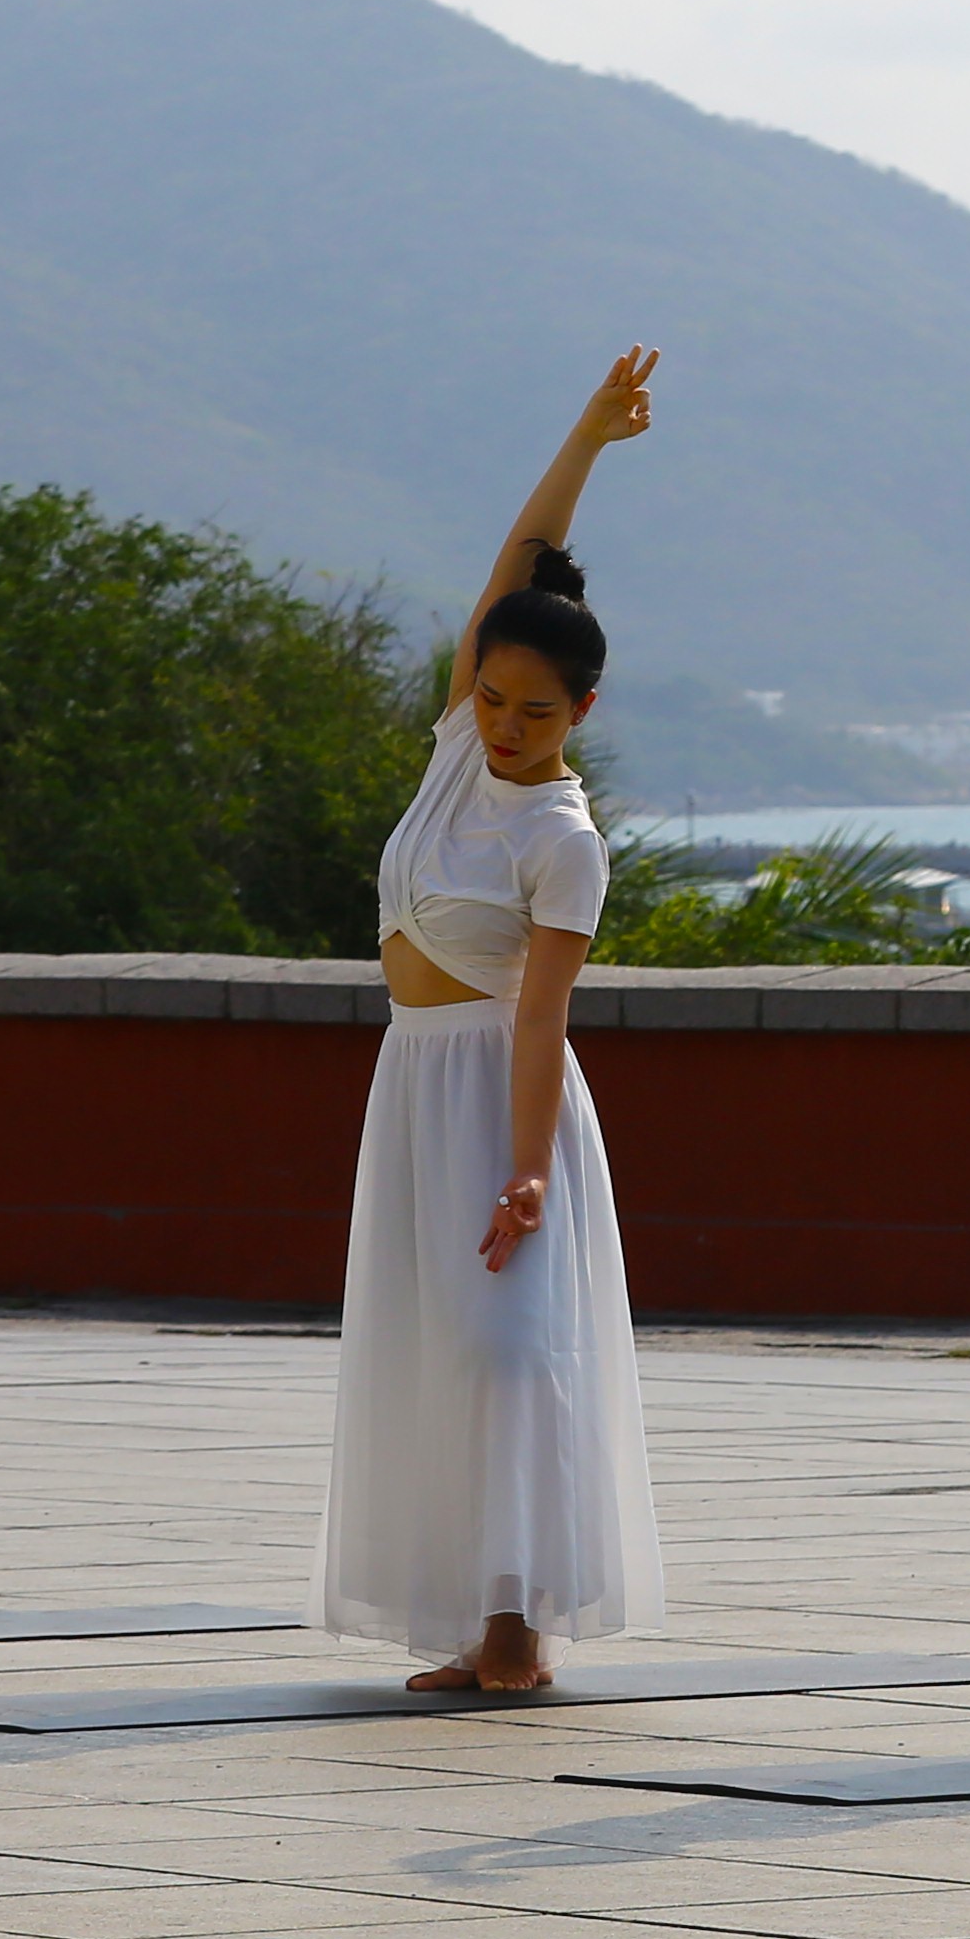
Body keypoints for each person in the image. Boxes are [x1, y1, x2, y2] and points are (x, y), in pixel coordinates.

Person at [315, 351, 666, 1695]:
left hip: (499, 1096)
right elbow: (521, 561)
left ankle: (521, 1629)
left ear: (582, 712)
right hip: (413, 1084)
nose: (508, 726)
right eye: (494, 699)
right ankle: (477, 1617)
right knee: (436, 1348)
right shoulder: (460, 751)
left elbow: (540, 1018)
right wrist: (585, 435)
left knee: (511, 1353)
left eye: (536, 711)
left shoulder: (561, 838)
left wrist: (526, 1167)